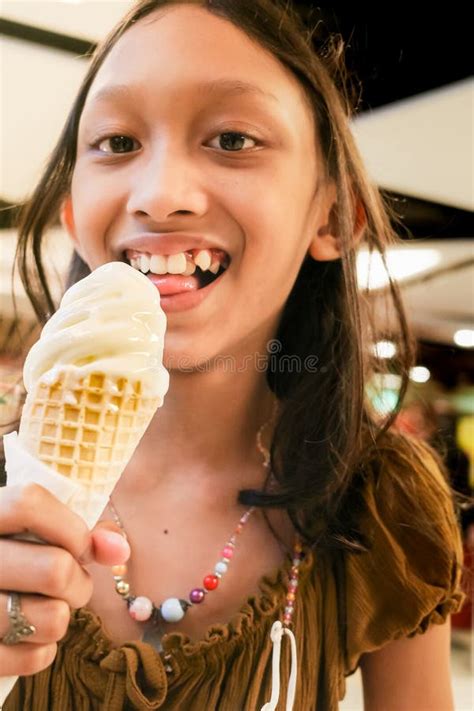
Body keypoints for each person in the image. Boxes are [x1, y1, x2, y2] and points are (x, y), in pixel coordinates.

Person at [0, 1, 466, 709]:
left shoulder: (380, 502)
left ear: (333, 217)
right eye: (118, 143)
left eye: (233, 137)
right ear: (74, 213)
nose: (159, 196)